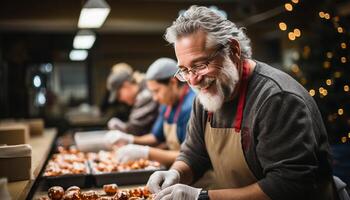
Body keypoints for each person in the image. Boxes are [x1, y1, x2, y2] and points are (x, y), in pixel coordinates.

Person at [146, 5, 338, 200]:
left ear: (233, 50)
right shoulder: (205, 96)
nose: (193, 80)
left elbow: (288, 186)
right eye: (185, 70)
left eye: (200, 65)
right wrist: (176, 173)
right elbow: (194, 154)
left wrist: (202, 197)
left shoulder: (276, 99)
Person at [105, 58, 196, 167]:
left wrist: (146, 153)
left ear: (173, 83)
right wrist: (130, 139)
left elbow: (190, 156)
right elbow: (155, 137)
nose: (155, 98)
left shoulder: (191, 107)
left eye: (156, 91)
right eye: (152, 92)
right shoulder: (166, 105)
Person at [106, 62, 159, 136]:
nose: (120, 100)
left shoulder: (146, 94)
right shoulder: (140, 94)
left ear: (126, 85)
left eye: (119, 95)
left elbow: (135, 128)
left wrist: (123, 127)